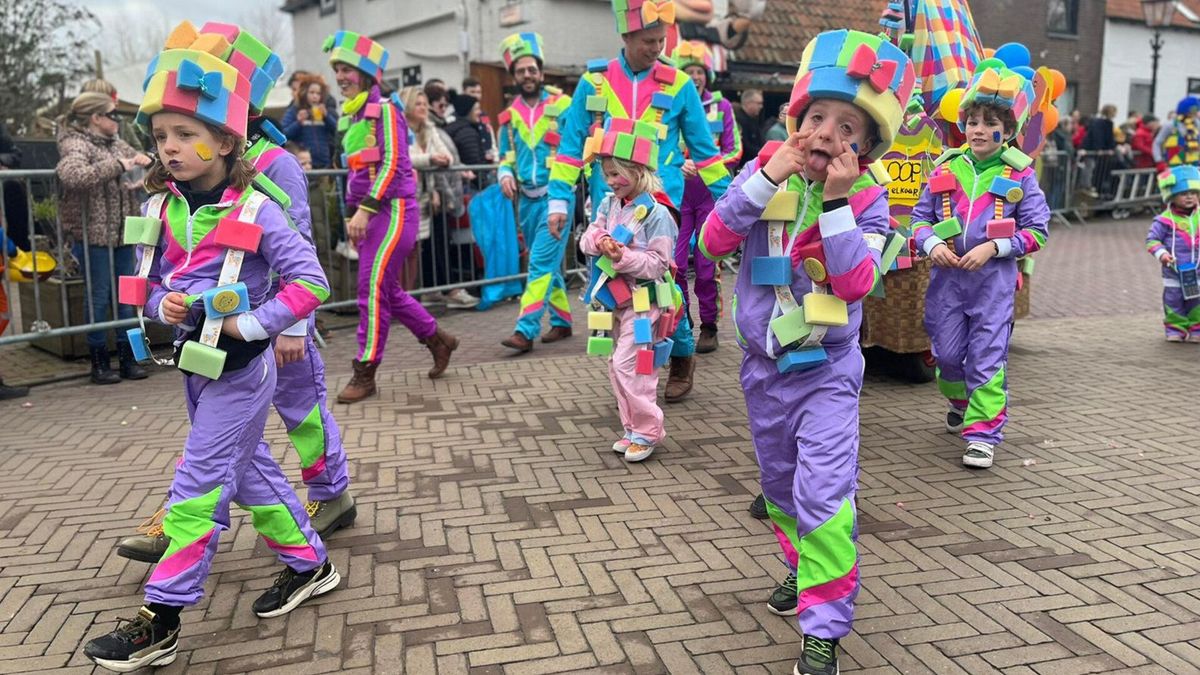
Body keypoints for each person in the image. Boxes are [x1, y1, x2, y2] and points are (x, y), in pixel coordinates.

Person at [83, 44, 338, 672]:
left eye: (185, 134)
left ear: (225, 141)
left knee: (197, 485)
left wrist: (258, 322)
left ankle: (160, 618)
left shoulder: (260, 209)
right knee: (248, 472)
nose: (168, 146)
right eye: (162, 134)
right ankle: (311, 564)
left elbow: (311, 281)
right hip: (193, 366)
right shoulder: (161, 208)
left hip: (244, 368)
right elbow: (155, 282)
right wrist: (166, 302)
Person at [699, 29, 911, 675]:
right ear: (795, 121)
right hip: (763, 369)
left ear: (867, 149)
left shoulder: (873, 204)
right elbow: (712, 241)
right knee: (780, 489)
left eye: (847, 126)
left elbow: (853, 283)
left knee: (824, 495)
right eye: (816, 117)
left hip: (828, 375)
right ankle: (799, 566)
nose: (825, 133)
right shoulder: (765, 172)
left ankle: (823, 628)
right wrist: (766, 178)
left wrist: (840, 204)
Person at [113, 20, 356, 563]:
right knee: (217, 428)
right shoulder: (187, 176)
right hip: (215, 329)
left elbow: (301, 247)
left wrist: (293, 326)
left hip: (277, 319)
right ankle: (189, 511)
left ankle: (328, 493)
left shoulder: (276, 163)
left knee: (302, 409)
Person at [549, 0, 732, 402]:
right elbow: (568, 147)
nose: (657, 48)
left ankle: (682, 355)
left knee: (664, 285)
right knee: (615, 287)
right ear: (626, 36)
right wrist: (558, 202)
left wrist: (732, 205)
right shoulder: (592, 83)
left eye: (661, 40)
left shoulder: (680, 84)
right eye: (649, 40)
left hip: (661, 203)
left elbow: (705, 152)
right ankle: (632, 365)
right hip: (610, 206)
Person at [912, 64, 1050, 470]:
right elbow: (919, 220)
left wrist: (995, 247)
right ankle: (961, 401)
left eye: (988, 122)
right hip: (947, 282)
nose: (976, 128)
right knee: (948, 356)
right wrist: (933, 242)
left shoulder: (1021, 175)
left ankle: (983, 433)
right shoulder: (946, 167)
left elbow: (1038, 232)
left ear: (1006, 130)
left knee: (987, 357)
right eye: (971, 120)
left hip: (993, 284)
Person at [323, 31, 459, 404]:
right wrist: (356, 213)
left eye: (346, 69)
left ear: (366, 73)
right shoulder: (351, 118)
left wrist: (364, 212)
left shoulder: (385, 109)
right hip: (370, 213)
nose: (340, 76)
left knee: (370, 291)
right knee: (387, 290)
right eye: (336, 69)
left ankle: (365, 372)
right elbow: (355, 173)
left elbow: (393, 164)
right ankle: (438, 340)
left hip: (394, 210)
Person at [580, 118, 679, 463]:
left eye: (615, 173)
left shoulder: (657, 214)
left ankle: (648, 431)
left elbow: (659, 264)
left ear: (637, 170)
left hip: (645, 301)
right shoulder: (609, 204)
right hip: (614, 299)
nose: (609, 181)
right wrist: (601, 240)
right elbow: (586, 237)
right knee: (615, 363)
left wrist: (623, 257)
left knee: (633, 365)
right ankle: (631, 428)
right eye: (606, 174)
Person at [55, 91, 153, 385]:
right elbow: (73, 175)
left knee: (126, 297)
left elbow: (138, 160)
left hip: (123, 232)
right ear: (96, 118)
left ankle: (127, 358)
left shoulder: (115, 142)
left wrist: (141, 165)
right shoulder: (74, 142)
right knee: (97, 298)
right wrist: (118, 166)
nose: (118, 120)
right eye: (113, 115)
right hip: (94, 234)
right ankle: (99, 362)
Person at [496, 32, 575, 353]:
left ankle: (525, 330)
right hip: (526, 202)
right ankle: (562, 321)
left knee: (539, 264)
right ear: (513, 76)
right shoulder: (508, 116)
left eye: (532, 69)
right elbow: (505, 155)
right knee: (548, 264)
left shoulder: (563, 105)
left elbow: (578, 142)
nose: (527, 75)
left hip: (556, 198)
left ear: (541, 72)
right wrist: (503, 173)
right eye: (520, 71)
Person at [670, 40, 740, 353]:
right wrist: (675, 162)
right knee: (673, 264)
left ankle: (709, 326)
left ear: (707, 75)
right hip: (676, 197)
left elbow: (734, 149)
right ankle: (681, 324)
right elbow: (659, 147)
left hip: (709, 198)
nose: (695, 76)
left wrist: (704, 165)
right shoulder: (669, 105)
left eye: (699, 71)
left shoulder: (721, 107)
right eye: (689, 71)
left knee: (706, 261)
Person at [399, 86, 455, 292]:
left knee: (416, 248)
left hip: (423, 195)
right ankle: (399, 296)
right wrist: (430, 159)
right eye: (418, 104)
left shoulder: (429, 129)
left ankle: (408, 295)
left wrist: (438, 159)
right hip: (403, 195)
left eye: (424, 103)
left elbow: (447, 155)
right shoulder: (399, 129)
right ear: (407, 106)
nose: (423, 108)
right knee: (404, 249)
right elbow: (403, 159)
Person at [1146, 165, 1200, 342]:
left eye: (1193, 192)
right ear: (1172, 196)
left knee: (1196, 301)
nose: (1190, 196)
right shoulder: (1164, 220)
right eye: (1184, 193)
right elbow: (1152, 240)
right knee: (1174, 299)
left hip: (1197, 272)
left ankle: (1196, 329)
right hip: (1174, 270)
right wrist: (1162, 254)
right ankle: (1175, 329)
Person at [281, 75, 338, 168]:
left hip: (325, 164)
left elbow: (336, 131)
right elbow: (284, 135)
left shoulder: (325, 111)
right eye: (312, 92)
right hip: (304, 165)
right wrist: (298, 122)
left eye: (318, 93)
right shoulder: (294, 110)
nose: (315, 96)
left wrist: (327, 116)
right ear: (304, 93)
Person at [1154, 97, 1200, 170]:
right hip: (1173, 166)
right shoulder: (1170, 125)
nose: (1196, 113)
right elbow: (1157, 143)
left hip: (1193, 167)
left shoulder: (1197, 124)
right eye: (1194, 111)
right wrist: (1159, 160)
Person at [736, 88, 765, 168]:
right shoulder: (739, 121)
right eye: (759, 103)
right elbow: (744, 145)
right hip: (743, 166)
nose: (761, 106)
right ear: (748, 103)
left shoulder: (753, 120)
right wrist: (761, 153)